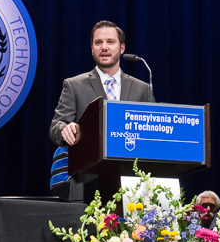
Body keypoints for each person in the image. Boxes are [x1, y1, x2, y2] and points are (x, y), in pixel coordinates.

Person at [49, 20, 153, 201]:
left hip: (131, 183)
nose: (104, 47)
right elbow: (56, 127)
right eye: (98, 42)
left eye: (110, 42)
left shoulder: (142, 89)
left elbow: (151, 132)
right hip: (87, 183)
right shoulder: (74, 85)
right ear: (92, 48)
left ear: (122, 48)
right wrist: (64, 129)